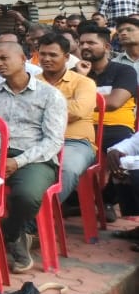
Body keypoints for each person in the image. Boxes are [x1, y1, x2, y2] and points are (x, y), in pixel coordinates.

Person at [0, 41, 66, 273]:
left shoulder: (50, 95)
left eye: (4, 58)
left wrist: (18, 162)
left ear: (23, 59)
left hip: (35, 159)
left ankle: (11, 233)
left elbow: (53, 140)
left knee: (26, 195)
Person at [79, 24, 138, 221]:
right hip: (82, 125)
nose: (85, 47)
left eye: (91, 43)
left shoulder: (124, 71)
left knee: (122, 155)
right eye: (82, 43)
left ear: (106, 47)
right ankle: (75, 200)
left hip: (116, 126)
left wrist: (80, 101)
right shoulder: (74, 73)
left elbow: (114, 103)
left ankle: (106, 200)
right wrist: (81, 78)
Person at [34, 32, 96, 203]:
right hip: (36, 140)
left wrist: (39, 110)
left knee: (67, 169)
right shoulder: (31, 82)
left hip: (74, 141)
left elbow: (78, 111)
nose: (46, 59)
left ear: (67, 57)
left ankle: (41, 215)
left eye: (53, 55)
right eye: (43, 54)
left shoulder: (84, 82)